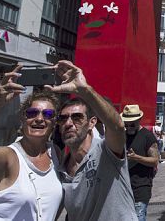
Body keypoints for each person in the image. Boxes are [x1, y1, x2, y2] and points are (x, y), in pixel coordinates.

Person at [0, 72, 62, 221]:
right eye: (32, 113)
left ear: (54, 122)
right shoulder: (7, 155)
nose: (39, 118)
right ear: (23, 117)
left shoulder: (55, 153)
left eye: (48, 114)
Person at [52, 60, 138, 220]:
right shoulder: (61, 168)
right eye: (63, 119)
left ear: (92, 122)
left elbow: (117, 127)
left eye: (77, 117)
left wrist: (85, 90)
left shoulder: (106, 151)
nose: (68, 123)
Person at [123, 105, 159, 221]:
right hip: (123, 186)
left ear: (139, 120)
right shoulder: (122, 135)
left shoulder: (147, 136)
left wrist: (136, 158)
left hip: (140, 186)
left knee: (138, 217)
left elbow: (155, 160)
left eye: (132, 124)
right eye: (126, 124)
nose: (128, 127)